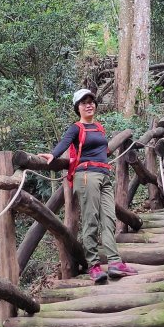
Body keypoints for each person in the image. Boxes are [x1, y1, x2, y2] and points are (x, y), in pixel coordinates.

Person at [38, 89, 137, 284]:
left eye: (91, 101)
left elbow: (104, 149)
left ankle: (115, 263)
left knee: (108, 219)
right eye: (84, 103)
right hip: (86, 176)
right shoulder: (76, 128)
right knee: (91, 220)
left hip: (104, 176)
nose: (89, 105)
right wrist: (53, 155)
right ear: (78, 108)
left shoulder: (99, 128)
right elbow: (65, 143)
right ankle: (94, 266)